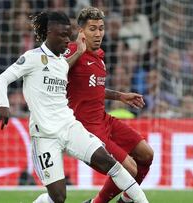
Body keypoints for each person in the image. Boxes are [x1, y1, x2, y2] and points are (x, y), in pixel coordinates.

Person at [0, 11, 148, 203]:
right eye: (63, 35)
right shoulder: (34, 58)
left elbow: (86, 83)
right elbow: (2, 79)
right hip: (45, 134)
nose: (67, 40)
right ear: (49, 33)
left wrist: (119, 95)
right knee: (58, 197)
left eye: (101, 28)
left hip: (71, 126)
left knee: (117, 164)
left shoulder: (64, 61)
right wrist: (4, 105)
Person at [65, 7, 153, 203]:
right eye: (92, 29)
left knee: (146, 154)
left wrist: (120, 96)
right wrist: (77, 53)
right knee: (129, 168)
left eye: (101, 28)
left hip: (104, 119)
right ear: (81, 32)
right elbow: (55, 73)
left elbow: (92, 89)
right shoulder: (72, 50)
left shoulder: (99, 56)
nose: (98, 34)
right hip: (87, 128)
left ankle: (126, 200)